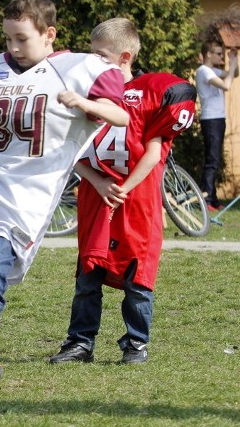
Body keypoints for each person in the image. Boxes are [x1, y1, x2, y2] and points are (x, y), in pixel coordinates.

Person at [0, 0, 129, 401]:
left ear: (49, 33)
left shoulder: (79, 69)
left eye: (22, 38)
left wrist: (86, 103)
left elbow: (123, 115)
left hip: (30, 199)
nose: (13, 48)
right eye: (7, 39)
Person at [49, 18, 197, 366]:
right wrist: (98, 181)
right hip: (95, 196)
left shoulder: (150, 92)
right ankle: (80, 342)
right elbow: (68, 149)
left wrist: (124, 188)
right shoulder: (88, 96)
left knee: (138, 278)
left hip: (137, 201)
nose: (93, 61)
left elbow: (154, 151)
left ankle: (136, 343)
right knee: (88, 274)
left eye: (101, 55)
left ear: (125, 56)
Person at [195, 40, 238, 211]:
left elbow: (233, 75)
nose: (221, 57)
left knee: (215, 160)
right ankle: (206, 198)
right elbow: (227, 85)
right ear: (208, 54)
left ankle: (211, 199)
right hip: (211, 120)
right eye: (219, 54)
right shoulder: (204, 71)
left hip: (218, 119)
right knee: (212, 161)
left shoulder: (213, 71)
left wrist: (233, 60)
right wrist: (233, 63)